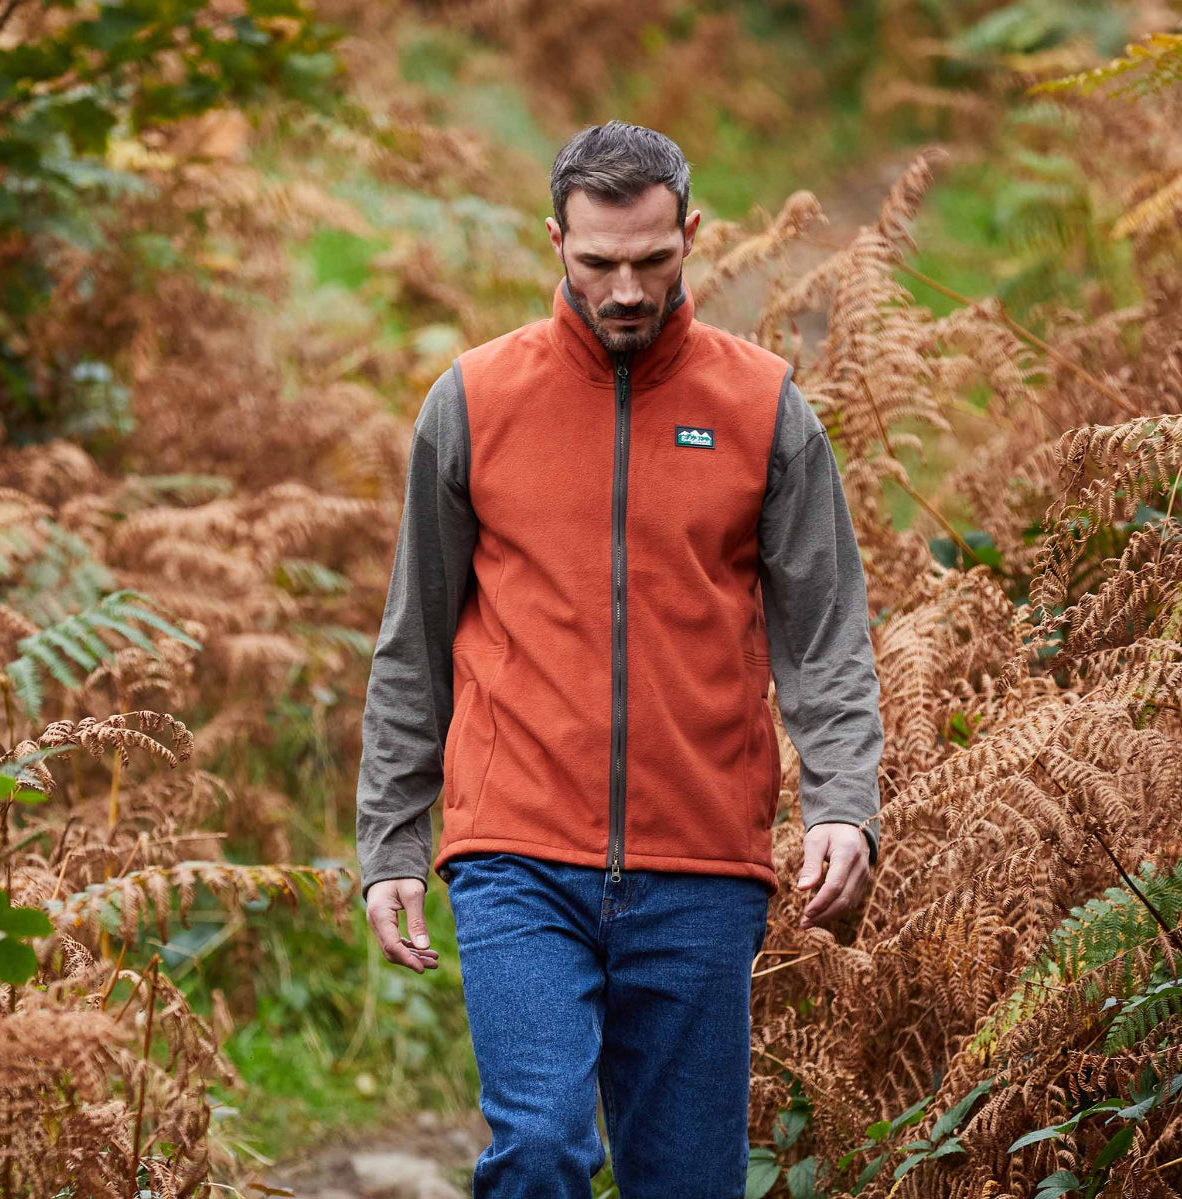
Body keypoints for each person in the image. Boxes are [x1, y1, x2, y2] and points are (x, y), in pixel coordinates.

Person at [355, 120, 884, 1197]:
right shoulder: (473, 403)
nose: (628, 289)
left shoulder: (764, 409)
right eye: (598, 263)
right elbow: (413, 641)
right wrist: (392, 842)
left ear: (691, 232)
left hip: (700, 864)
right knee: (542, 1144)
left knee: (685, 1180)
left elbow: (825, 636)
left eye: (653, 259)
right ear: (556, 239)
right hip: (516, 854)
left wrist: (844, 804)